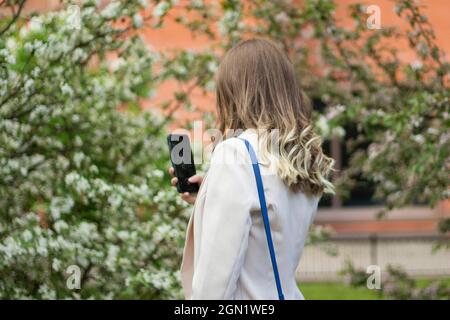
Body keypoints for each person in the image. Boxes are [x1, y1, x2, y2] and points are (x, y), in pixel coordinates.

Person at [169, 38, 335, 300]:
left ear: (233, 93)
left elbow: (216, 281)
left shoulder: (235, 153)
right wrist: (209, 197)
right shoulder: (300, 157)